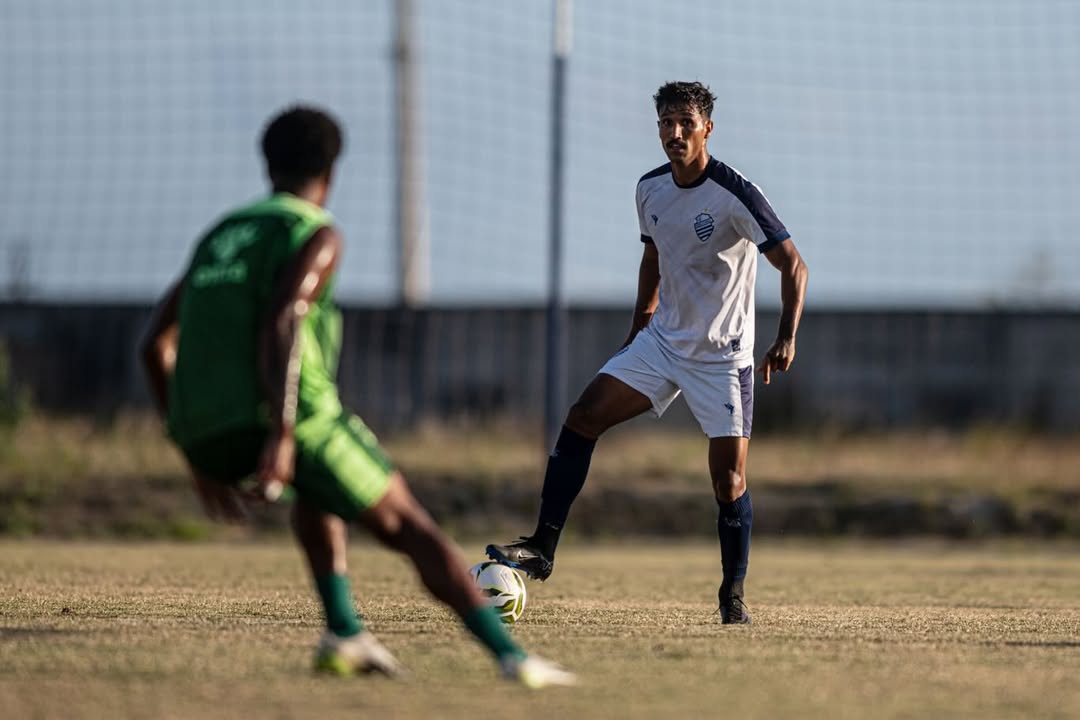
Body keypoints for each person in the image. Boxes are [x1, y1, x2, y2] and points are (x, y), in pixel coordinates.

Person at [139, 105, 575, 687]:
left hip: (204, 428)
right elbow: (284, 321)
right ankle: (512, 659)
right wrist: (285, 430)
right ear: (331, 171)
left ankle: (344, 633)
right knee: (411, 526)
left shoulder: (220, 235)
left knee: (317, 497)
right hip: (296, 417)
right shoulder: (314, 232)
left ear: (267, 164)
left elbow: (154, 346)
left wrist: (192, 446)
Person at [487, 82, 808, 624]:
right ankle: (541, 548)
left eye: (685, 122)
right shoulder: (649, 190)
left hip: (723, 357)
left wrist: (787, 336)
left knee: (728, 481)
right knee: (583, 416)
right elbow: (653, 256)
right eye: (665, 123)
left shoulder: (736, 194)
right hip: (662, 341)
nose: (674, 133)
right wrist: (640, 324)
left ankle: (733, 596)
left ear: (708, 127)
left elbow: (794, 265)